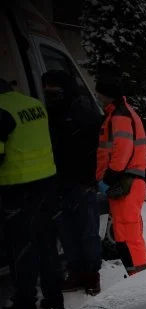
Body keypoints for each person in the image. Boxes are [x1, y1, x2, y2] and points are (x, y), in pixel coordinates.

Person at [0, 78, 63, 309]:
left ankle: (25, 301)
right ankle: (54, 297)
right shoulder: (34, 104)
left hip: (17, 188)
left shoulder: (1, 111)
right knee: (47, 243)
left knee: (22, 247)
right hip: (46, 183)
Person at [42, 70, 103, 295]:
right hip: (57, 182)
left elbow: (99, 149)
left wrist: (92, 179)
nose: (50, 94)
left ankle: (92, 275)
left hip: (83, 183)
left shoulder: (85, 114)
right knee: (66, 231)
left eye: (54, 90)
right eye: (47, 90)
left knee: (88, 232)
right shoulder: (47, 114)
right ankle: (76, 272)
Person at [94, 68, 146, 276]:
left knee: (128, 236)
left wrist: (108, 177)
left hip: (124, 182)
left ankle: (140, 281)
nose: (97, 97)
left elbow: (122, 149)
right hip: (126, 182)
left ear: (106, 93)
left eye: (99, 93)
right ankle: (138, 277)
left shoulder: (119, 116)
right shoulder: (119, 113)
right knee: (126, 234)